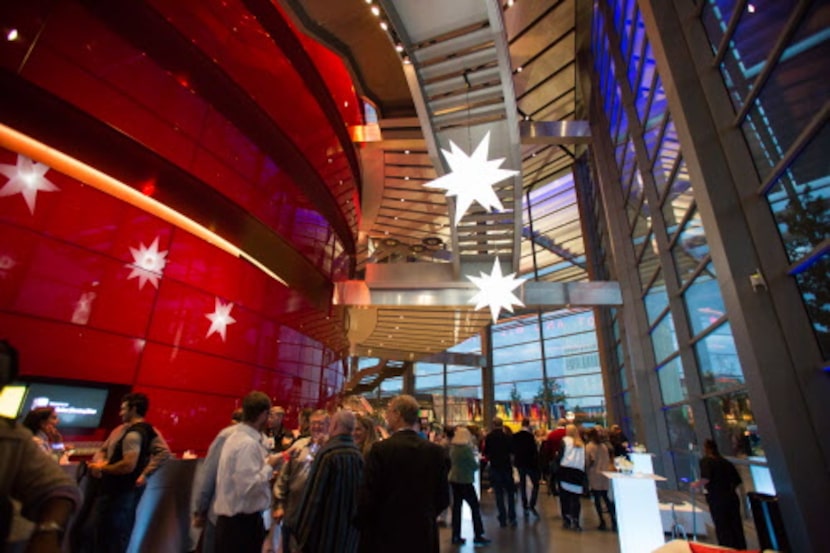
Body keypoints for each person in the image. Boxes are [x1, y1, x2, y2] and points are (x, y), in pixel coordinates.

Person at [0, 340, 81, 553]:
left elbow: (59, 486)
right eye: (54, 418)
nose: (57, 422)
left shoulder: (12, 438)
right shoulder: (27, 439)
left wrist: (46, 532)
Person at [356, 394, 450, 553]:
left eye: (389, 411)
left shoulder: (381, 450)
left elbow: (369, 494)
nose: (386, 416)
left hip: (387, 532)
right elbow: (443, 497)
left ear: (398, 414)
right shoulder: (436, 452)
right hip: (423, 532)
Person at [87, 392, 171, 553]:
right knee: (99, 529)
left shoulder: (146, 431)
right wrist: (99, 462)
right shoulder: (118, 430)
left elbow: (164, 453)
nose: (120, 413)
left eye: (123, 409)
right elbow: (103, 450)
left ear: (133, 409)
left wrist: (145, 474)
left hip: (125, 488)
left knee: (117, 530)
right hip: (106, 485)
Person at [213, 391, 282, 553]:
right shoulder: (247, 444)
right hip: (240, 527)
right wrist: (269, 466)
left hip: (235, 525)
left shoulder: (235, 438)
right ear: (263, 414)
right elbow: (247, 486)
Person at [291, 410, 363, 553]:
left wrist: (300, 532)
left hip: (324, 535)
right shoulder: (358, 455)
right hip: (348, 537)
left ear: (334, 425)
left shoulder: (328, 454)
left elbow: (313, 498)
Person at [273, 409, 329, 552]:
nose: (316, 427)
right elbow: (284, 475)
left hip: (318, 516)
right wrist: (279, 504)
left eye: (321, 424)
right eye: (314, 423)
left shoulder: (332, 450)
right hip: (293, 511)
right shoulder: (298, 445)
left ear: (329, 425)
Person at [190, 407, 242, 553]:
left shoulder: (226, 436)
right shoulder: (259, 438)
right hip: (244, 518)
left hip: (219, 514)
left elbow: (208, 476)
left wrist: (200, 509)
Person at [692, 439, 747, 549]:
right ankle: (740, 549)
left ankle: (727, 548)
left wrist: (695, 485)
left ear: (707, 448)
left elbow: (706, 478)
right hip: (731, 497)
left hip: (717, 498)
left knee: (722, 525)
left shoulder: (706, 461)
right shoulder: (726, 462)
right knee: (735, 525)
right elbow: (737, 481)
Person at [448, 426, 490, 546]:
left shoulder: (453, 448)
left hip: (454, 479)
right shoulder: (465, 449)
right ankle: (478, 534)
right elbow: (474, 466)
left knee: (457, 508)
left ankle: (456, 535)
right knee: (474, 507)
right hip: (465, 480)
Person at [483, 416, 516, 528]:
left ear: (493, 424)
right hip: (506, 467)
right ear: (502, 425)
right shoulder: (508, 437)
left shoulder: (489, 437)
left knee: (499, 493)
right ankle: (512, 516)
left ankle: (502, 517)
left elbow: (486, 452)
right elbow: (512, 451)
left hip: (495, 467)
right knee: (510, 492)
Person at [585, 427, 616, 531]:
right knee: (606, 498)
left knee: (597, 499)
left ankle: (602, 521)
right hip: (605, 473)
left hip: (595, 474)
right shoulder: (603, 446)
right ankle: (613, 520)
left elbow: (589, 460)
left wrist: (587, 468)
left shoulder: (590, 447)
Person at [558, 424, 586, 530]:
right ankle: (576, 519)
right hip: (578, 471)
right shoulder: (581, 443)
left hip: (565, 469)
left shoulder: (565, 441)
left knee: (564, 496)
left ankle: (566, 518)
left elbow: (560, 455)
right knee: (575, 497)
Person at [512, 418, 541, 518]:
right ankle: (532, 504)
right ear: (528, 425)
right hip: (530, 464)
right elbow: (534, 451)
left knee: (522, 483)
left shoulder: (515, 436)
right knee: (535, 484)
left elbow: (513, 450)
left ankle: (524, 504)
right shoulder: (530, 436)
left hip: (519, 463)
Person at [541, 418, 567, 496]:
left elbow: (547, 448)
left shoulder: (552, 434)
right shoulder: (568, 433)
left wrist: (548, 459)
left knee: (554, 475)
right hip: (567, 458)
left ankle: (554, 490)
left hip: (554, 458)